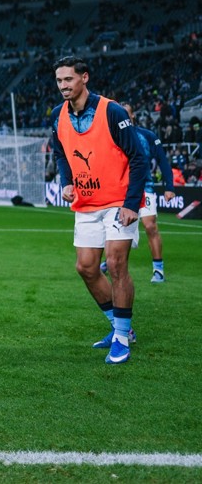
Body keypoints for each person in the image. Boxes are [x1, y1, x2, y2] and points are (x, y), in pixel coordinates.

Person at [50, 56, 148, 365]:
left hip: (119, 202)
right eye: (59, 81)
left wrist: (132, 204)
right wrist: (66, 182)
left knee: (117, 264)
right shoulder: (57, 115)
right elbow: (61, 153)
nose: (63, 85)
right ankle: (120, 326)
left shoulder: (112, 111)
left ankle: (121, 337)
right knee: (86, 268)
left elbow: (138, 157)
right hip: (87, 203)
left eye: (69, 79)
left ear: (84, 78)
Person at [99, 103, 174, 283]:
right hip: (119, 191)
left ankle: (158, 268)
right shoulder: (109, 136)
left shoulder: (147, 136)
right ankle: (110, 263)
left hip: (144, 187)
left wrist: (169, 186)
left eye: (127, 113)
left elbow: (162, 161)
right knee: (118, 230)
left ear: (132, 116)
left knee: (150, 225)